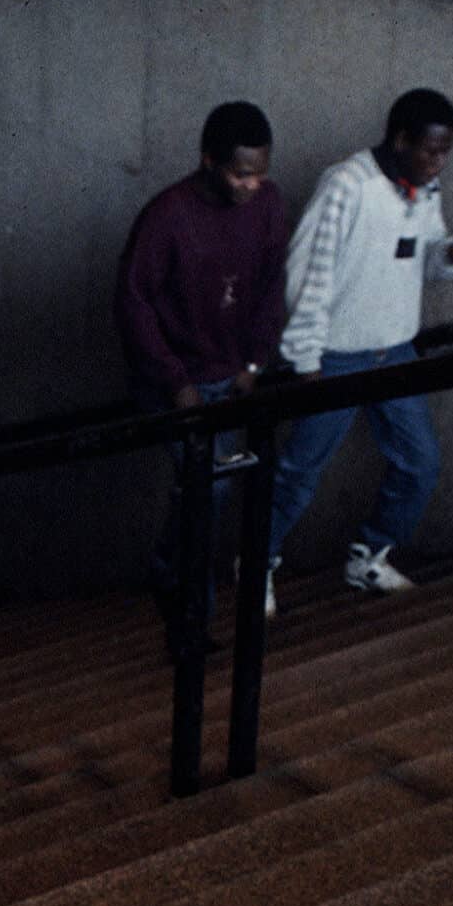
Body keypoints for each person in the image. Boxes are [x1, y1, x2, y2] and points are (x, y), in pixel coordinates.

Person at [259, 88, 453, 612]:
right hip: (337, 357)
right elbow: (307, 276)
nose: (439, 162)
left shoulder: (426, 188)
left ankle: (368, 557)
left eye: (446, 151)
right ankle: (257, 564)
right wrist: (305, 361)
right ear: (401, 139)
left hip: (395, 351)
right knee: (299, 473)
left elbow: (425, 262)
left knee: (420, 464)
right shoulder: (348, 185)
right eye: (431, 150)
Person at [115, 100, 288, 647]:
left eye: (260, 172)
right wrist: (175, 382)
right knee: (206, 494)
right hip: (178, 380)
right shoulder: (168, 214)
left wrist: (254, 363)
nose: (251, 185)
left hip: (228, 376)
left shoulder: (269, 204)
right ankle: (192, 619)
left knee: (208, 492)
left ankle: (174, 582)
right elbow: (133, 302)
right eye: (240, 173)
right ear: (208, 161)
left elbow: (269, 288)